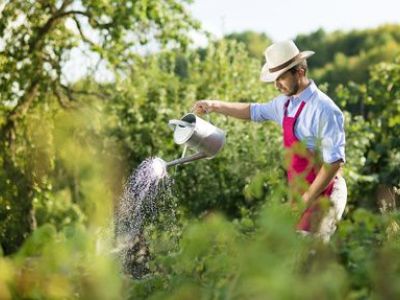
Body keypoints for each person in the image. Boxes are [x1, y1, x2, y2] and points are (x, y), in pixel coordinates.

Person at [192, 40, 347, 242]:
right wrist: (213, 105)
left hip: (326, 193)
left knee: (310, 255)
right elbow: (253, 111)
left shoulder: (324, 109)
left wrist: (305, 200)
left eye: (280, 78)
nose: (276, 85)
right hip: (300, 195)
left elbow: (334, 163)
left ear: (299, 71)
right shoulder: (285, 104)